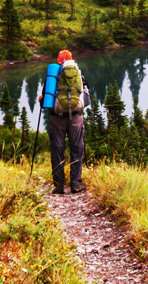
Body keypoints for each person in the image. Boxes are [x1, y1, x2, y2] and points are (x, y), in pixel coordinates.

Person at [48, 49, 89, 194]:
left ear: (59, 61)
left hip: (56, 118)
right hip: (76, 118)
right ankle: (75, 184)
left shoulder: (53, 77)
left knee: (57, 149)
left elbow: (45, 99)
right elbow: (87, 99)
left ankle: (59, 186)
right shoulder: (79, 75)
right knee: (77, 148)